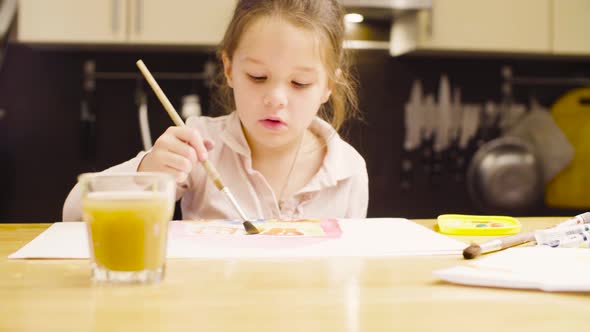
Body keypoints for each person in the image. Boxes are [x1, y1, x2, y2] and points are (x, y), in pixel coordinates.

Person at [63, 0, 368, 221]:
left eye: (299, 83)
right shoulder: (200, 146)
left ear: (328, 85)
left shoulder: (347, 171)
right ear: (229, 68)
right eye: (258, 77)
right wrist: (148, 174)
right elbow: (75, 214)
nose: (276, 98)